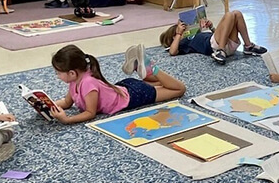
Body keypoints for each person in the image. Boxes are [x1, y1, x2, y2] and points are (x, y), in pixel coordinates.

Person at [50, 44, 186, 124]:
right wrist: (49, 105)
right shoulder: (75, 81)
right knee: (160, 86)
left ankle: (150, 68)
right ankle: (139, 67)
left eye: (59, 73)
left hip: (135, 95)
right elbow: (67, 102)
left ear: (72, 73)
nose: (57, 76)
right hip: (126, 88)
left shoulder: (88, 84)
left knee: (179, 89)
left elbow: (90, 113)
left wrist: (67, 119)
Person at [159, 10, 267, 64]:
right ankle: (220, 51)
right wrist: (178, 34)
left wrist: (211, 28)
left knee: (236, 14)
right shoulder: (184, 43)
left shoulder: (195, 35)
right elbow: (172, 52)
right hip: (215, 46)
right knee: (229, 15)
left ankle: (248, 46)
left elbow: (221, 34)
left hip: (223, 43)